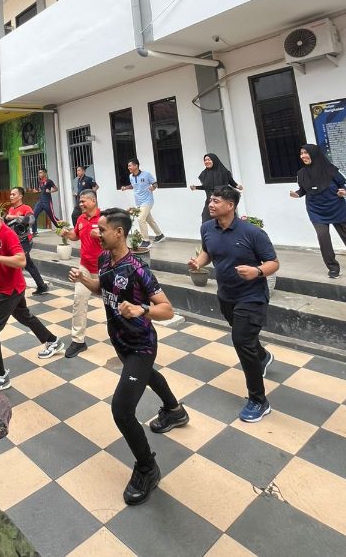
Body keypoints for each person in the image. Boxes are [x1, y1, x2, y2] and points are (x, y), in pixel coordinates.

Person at [71, 208, 188, 505]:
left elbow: (167, 309)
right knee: (148, 375)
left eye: (102, 229)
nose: (96, 233)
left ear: (119, 232)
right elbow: (102, 289)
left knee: (122, 411)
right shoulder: (104, 259)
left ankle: (147, 468)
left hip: (141, 345)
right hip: (120, 341)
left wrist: (141, 309)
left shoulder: (137, 269)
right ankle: (174, 410)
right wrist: (84, 279)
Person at [189, 186, 279, 422]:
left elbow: (273, 263)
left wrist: (257, 271)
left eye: (216, 201)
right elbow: (208, 252)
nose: (211, 204)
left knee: (241, 341)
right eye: (210, 200)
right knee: (244, 337)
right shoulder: (207, 228)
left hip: (252, 296)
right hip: (226, 295)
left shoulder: (252, 233)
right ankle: (262, 356)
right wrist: (198, 262)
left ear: (231, 205)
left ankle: (259, 401)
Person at [0, 202, 59, 390]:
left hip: (9, 290)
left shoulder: (7, 234)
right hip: (13, 287)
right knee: (25, 316)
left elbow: (21, 260)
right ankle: (52, 341)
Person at [290, 144, 346, 279]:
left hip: (336, 207)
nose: (302, 156)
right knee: (323, 237)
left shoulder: (331, 170)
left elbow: (344, 183)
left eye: (306, 153)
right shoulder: (301, 173)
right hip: (316, 210)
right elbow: (304, 189)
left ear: (314, 154)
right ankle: (333, 267)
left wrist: (344, 191)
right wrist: (297, 194)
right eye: (301, 153)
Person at [56, 189, 102, 359]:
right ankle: (78, 341)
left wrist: (101, 235)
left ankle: (128, 338)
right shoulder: (81, 219)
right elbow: (76, 235)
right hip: (85, 268)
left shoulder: (104, 218)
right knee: (79, 301)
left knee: (116, 304)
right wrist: (67, 233)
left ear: (93, 201)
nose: (80, 204)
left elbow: (116, 239)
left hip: (105, 269)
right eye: (79, 201)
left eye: (83, 201)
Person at [6, 187, 49, 295]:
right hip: (15, 242)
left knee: (17, 264)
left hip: (25, 242)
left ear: (20, 196)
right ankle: (42, 286)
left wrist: (14, 217)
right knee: (29, 265)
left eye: (14, 194)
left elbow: (31, 220)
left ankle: (15, 291)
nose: (11, 196)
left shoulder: (26, 208)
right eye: (10, 194)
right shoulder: (11, 209)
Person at [120, 158, 165, 248]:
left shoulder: (146, 174)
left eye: (130, 165)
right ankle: (160, 235)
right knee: (149, 219)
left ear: (136, 165)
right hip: (139, 202)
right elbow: (134, 185)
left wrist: (153, 187)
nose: (128, 167)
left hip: (147, 201)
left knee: (140, 219)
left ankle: (146, 241)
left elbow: (155, 184)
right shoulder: (131, 176)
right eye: (128, 166)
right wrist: (126, 187)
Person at [189, 153, 243, 223]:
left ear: (214, 160)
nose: (206, 162)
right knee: (206, 220)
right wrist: (196, 187)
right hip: (210, 200)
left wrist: (237, 186)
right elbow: (207, 187)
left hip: (222, 200)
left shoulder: (224, 172)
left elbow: (231, 182)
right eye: (205, 160)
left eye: (209, 160)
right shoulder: (204, 174)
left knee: (225, 221)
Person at [31, 168, 60, 235]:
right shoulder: (40, 181)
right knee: (33, 215)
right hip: (40, 202)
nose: (39, 174)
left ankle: (61, 227)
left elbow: (56, 189)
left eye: (41, 172)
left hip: (47, 202)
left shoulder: (49, 181)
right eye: (39, 173)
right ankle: (34, 231)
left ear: (45, 173)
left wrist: (50, 191)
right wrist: (37, 191)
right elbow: (41, 190)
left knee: (52, 217)